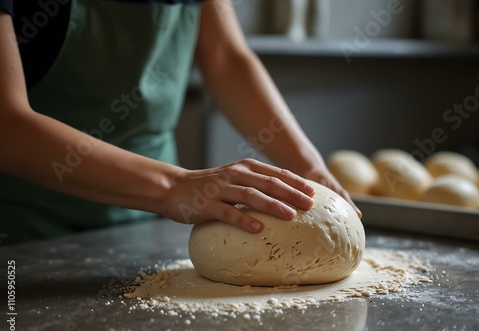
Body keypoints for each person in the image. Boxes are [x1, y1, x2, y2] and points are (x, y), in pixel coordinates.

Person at [0, 0, 360, 246]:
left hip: (146, 227)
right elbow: (6, 126)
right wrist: (173, 187)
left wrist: (307, 166)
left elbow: (225, 57)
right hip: (23, 230)